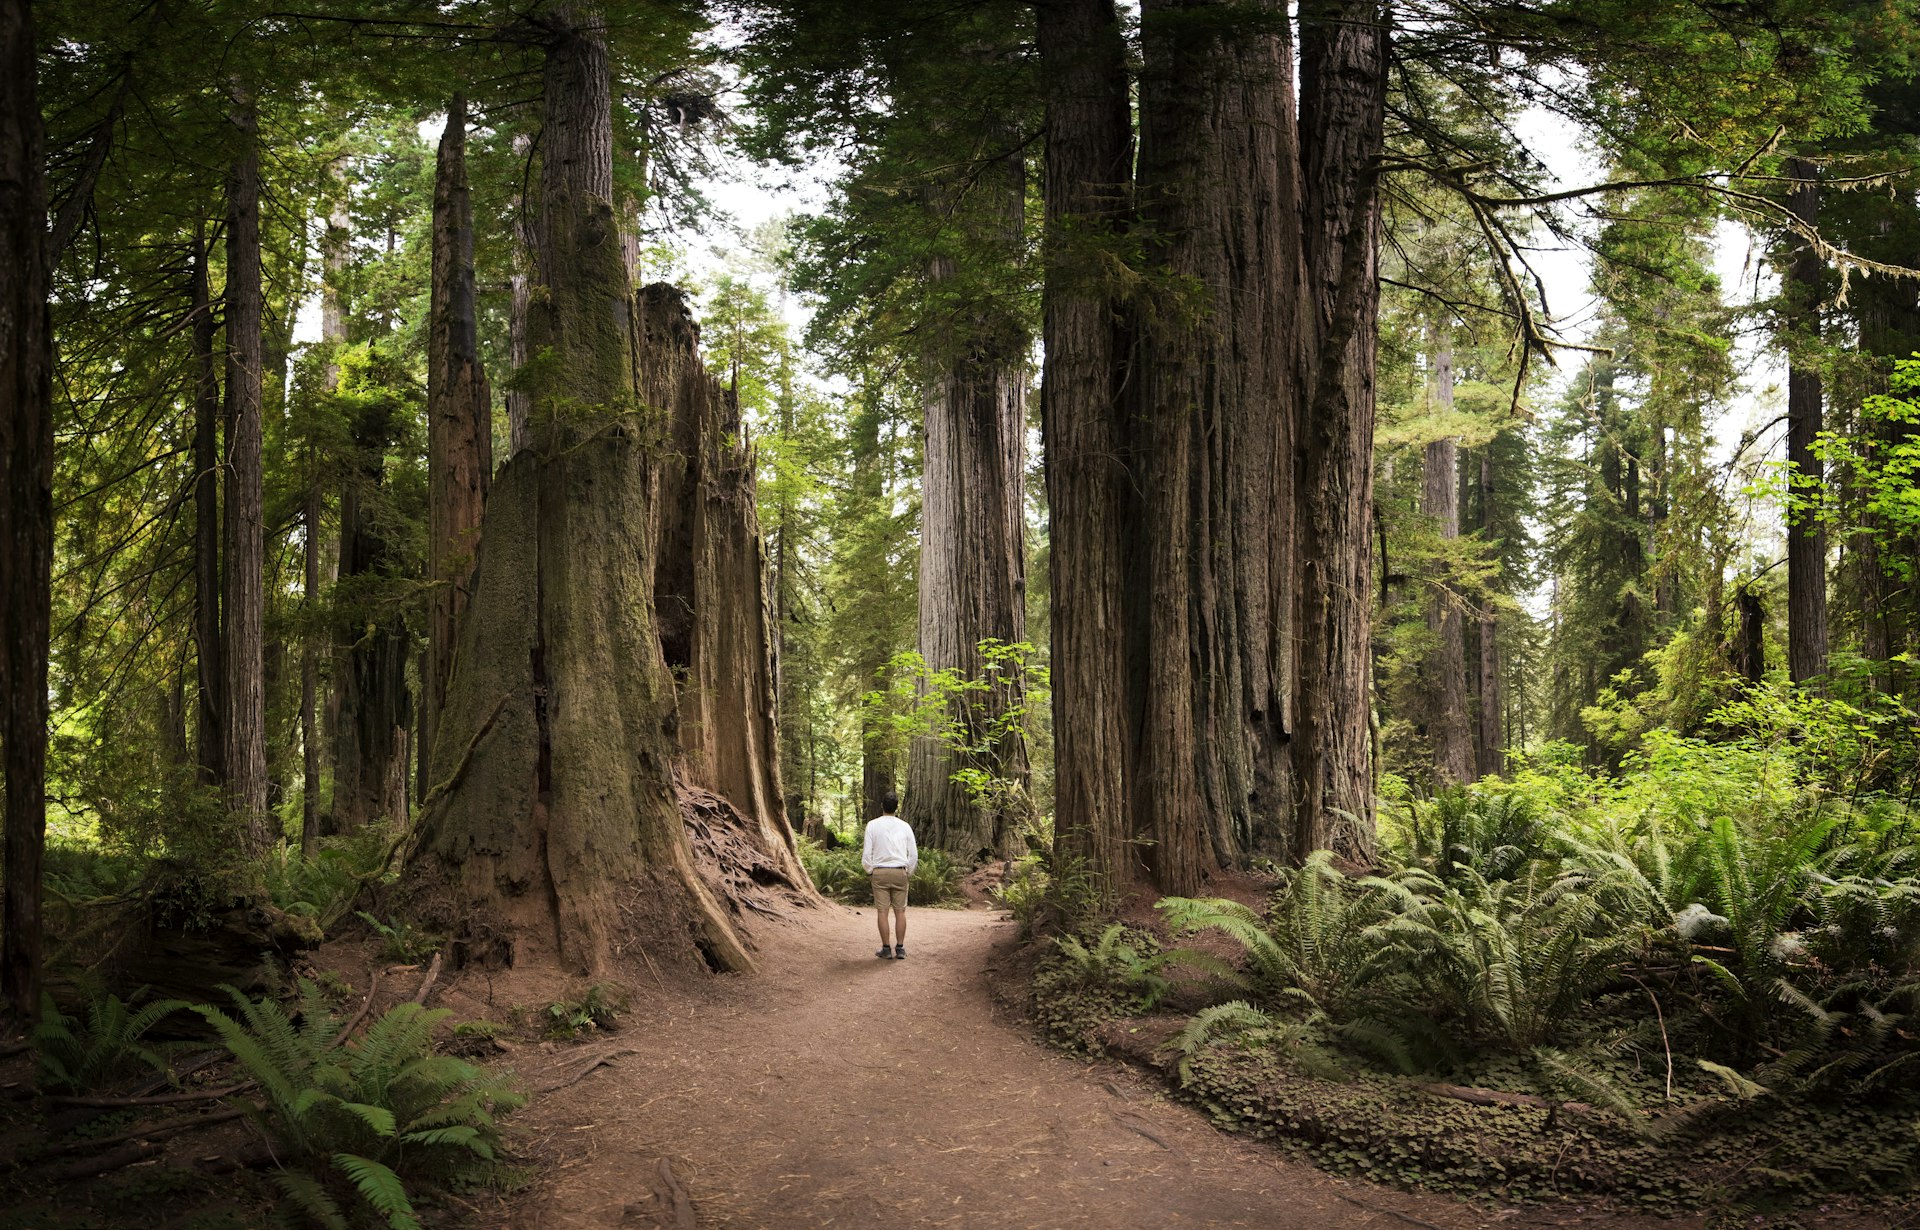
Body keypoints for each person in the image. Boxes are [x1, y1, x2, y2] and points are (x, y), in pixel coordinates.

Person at [861, 792, 917, 959]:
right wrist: (908, 872)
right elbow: (913, 854)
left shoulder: (872, 825)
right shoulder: (905, 826)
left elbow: (866, 854)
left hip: (880, 872)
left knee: (882, 912)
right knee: (900, 912)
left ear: (881, 806)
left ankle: (886, 949)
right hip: (899, 871)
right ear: (896, 807)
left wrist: (870, 870)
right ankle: (900, 948)